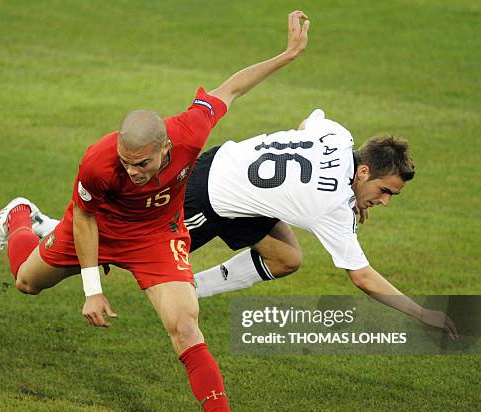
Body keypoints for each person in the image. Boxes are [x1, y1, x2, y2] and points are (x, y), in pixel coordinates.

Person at [0, 11, 311, 412]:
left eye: (143, 164)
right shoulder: (97, 161)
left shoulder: (189, 132)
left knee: (185, 327)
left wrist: (288, 54)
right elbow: (87, 218)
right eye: (127, 163)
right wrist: (92, 287)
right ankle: (19, 217)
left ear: (165, 149)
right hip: (97, 226)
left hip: (155, 236)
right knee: (26, 282)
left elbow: (230, 88)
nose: (133, 171)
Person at [183, 108, 458, 338]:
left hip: (229, 167)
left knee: (285, 258)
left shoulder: (339, 137)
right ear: (363, 172)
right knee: (146, 256)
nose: (385, 201)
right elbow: (362, 277)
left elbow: (306, 124)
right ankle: (174, 289)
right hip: (206, 195)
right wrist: (421, 313)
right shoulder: (333, 206)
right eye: (385, 191)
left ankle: (191, 290)